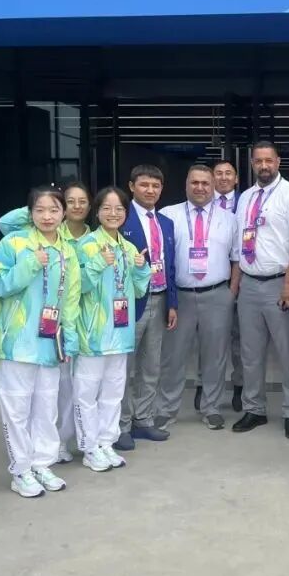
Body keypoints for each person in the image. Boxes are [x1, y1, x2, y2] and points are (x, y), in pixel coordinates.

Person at [0, 185, 81, 498]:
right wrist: (30, 263)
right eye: (39, 210)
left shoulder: (67, 251)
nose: (47, 216)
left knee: (46, 406)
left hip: (49, 341)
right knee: (16, 407)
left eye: (54, 209)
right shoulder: (14, 242)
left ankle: (42, 463)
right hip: (16, 342)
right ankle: (21, 470)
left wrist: (69, 337)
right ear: (29, 214)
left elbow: (71, 298)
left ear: (64, 213)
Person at [231, 141, 289, 438]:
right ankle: (254, 409)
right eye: (258, 161)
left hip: (281, 284)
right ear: (252, 163)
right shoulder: (246, 198)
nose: (264, 166)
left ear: (278, 161)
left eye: (269, 160)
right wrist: (236, 285)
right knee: (250, 353)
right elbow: (241, 241)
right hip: (250, 284)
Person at [71, 186, 151, 472]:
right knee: (87, 394)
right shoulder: (86, 245)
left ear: (126, 214)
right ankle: (89, 447)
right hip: (92, 335)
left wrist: (141, 268)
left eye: (119, 209)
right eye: (106, 208)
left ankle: (107, 442)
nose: (113, 213)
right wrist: (96, 264)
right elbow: (77, 288)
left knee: (113, 393)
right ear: (97, 211)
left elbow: (139, 290)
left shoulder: (128, 248)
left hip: (120, 334)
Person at [156, 164, 238, 430]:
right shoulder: (168, 215)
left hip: (217, 294)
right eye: (195, 182)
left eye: (205, 183)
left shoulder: (229, 219)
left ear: (213, 186)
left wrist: (231, 293)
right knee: (173, 356)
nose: (200, 188)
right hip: (180, 298)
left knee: (215, 356)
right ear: (186, 185)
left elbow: (237, 259)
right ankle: (167, 408)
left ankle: (211, 408)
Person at [117, 165, 178, 448]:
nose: (150, 190)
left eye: (155, 186)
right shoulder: (121, 217)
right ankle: (120, 425)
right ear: (132, 187)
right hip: (131, 302)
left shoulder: (166, 222)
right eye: (144, 185)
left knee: (151, 366)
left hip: (160, 298)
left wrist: (172, 303)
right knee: (124, 367)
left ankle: (143, 420)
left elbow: (171, 265)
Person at [201, 159, 244, 414]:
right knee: (208, 340)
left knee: (240, 340)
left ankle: (239, 386)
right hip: (210, 280)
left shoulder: (247, 202)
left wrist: (234, 288)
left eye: (229, 173)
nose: (224, 177)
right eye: (219, 173)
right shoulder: (201, 203)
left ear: (236, 178)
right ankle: (202, 385)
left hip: (240, 281)